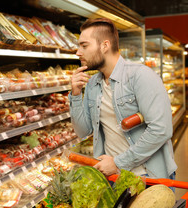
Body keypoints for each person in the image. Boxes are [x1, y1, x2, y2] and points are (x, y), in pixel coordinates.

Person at [69, 18, 177, 180]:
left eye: (84, 46)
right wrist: (76, 95)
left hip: (146, 175)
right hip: (112, 176)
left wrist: (118, 162)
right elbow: (83, 131)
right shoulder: (92, 84)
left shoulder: (140, 76)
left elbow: (161, 129)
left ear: (105, 46)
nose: (78, 52)